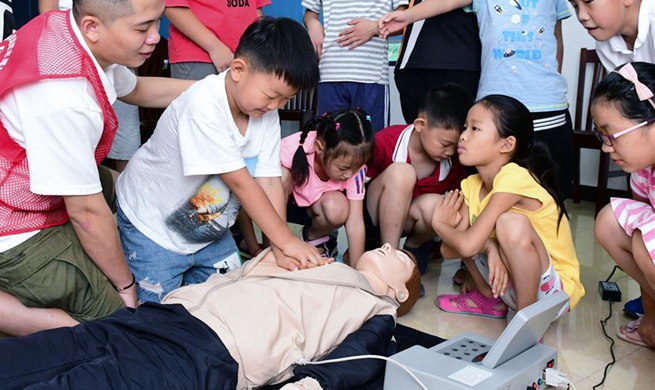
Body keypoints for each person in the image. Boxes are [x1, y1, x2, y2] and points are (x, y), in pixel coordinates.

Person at [0, 0, 195, 336]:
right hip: (12, 224)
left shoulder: (65, 29)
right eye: (143, 27)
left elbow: (138, 89)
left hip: (21, 172)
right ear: (93, 27)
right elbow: (86, 213)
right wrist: (125, 285)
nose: (155, 37)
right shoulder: (64, 95)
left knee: (124, 183)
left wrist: (217, 91)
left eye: (157, 23)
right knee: (114, 327)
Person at [0, 243, 421, 390]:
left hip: (213, 351)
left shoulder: (376, 307)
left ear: (401, 291)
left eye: (398, 255)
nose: (387, 248)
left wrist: (311, 385)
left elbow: (360, 355)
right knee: (39, 354)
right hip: (167, 316)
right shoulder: (317, 258)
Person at [116, 16, 324, 303]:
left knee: (232, 301)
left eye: (285, 100)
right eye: (271, 95)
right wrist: (288, 240)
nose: (275, 106)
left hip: (208, 230)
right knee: (156, 317)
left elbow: (270, 183)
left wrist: (277, 247)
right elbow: (241, 183)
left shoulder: (265, 113)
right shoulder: (204, 105)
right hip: (153, 229)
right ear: (238, 69)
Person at [379, 0, 575, 199]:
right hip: (495, 108)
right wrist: (408, 16)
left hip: (549, 109)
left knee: (553, 194)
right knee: (488, 192)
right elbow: (446, 3)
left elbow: (556, 39)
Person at [430, 95, 584, 319]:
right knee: (465, 232)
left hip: (555, 294)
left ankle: (526, 325)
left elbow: (467, 244)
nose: (462, 136)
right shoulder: (472, 185)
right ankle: (490, 301)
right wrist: (489, 246)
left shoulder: (514, 177)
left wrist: (438, 224)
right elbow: (448, 250)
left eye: (475, 128)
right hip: (509, 289)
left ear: (506, 144)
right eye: (465, 127)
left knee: (509, 223)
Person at [569, 0, 654, 320]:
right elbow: (623, 102)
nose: (581, 15)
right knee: (625, 225)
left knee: (647, 242)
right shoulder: (608, 40)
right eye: (573, 4)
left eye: (588, 1)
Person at [365, 85, 470, 278]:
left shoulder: (453, 161)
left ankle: (414, 248)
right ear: (420, 125)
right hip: (373, 217)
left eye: (456, 146)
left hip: (409, 221)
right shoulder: (386, 141)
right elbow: (357, 188)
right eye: (445, 144)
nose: (450, 152)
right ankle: (390, 257)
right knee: (402, 173)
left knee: (440, 205)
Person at [590, 62, 655, 347]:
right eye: (601, 136)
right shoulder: (643, 171)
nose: (605, 147)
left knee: (644, 239)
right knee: (611, 222)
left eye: (611, 135)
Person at [39, 0, 142, 173]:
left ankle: (126, 186)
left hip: (111, 40)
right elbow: (48, 15)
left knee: (126, 131)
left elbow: (138, 89)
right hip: (72, 50)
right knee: (78, 140)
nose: (153, 37)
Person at [281, 109, 373, 263]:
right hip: (283, 206)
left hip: (315, 211)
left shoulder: (353, 167)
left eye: (355, 169)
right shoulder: (292, 147)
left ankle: (315, 239)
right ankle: (280, 242)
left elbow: (355, 223)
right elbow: (265, 188)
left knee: (338, 207)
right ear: (319, 148)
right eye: (342, 169)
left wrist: (359, 271)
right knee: (281, 176)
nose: (349, 175)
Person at [302, 0, 408, 132]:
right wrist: (312, 23)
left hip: (371, 76)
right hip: (330, 73)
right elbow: (310, 13)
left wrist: (375, 28)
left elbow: (403, 18)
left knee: (372, 143)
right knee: (329, 143)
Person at [394, 0, 481, 123]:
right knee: (417, 131)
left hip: (458, 62)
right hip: (411, 62)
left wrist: (408, 15)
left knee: (457, 132)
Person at [165, 0, 269, 80]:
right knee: (201, 105)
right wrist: (215, 47)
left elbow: (256, 8)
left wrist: (258, 48)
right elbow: (171, 5)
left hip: (247, 56)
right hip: (201, 56)